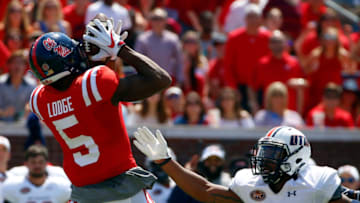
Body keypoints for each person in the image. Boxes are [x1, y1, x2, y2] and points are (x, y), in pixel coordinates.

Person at [28, 16, 171, 202]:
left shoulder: (38, 100)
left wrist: (102, 59)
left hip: (83, 193)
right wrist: (119, 48)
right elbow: (161, 79)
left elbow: (79, 98)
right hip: (122, 187)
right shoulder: (94, 83)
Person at [133, 126, 358, 203]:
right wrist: (166, 162)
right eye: (265, 151)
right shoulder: (250, 184)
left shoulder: (317, 183)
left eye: (273, 153)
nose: (264, 159)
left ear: (296, 157)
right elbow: (205, 191)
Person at [223, 4, 270, 112]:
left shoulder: (268, 37)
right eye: (250, 17)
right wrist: (233, 89)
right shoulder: (234, 38)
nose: (253, 20)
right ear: (245, 19)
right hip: (240, 87)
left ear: (261, 19)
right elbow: (228, 65)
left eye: (255, 17)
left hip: (261, 87)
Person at [3, 145, 71, 203]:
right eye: (33, 162)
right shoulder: (13, 185)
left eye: (41, 162)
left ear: (47, 164)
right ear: (26, 164)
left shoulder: (60, 186)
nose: (37, 165)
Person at [135, 8, 184, 85]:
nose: (158, 21)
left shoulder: (173, 39)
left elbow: (179, 61)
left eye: (160, 18)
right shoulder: (143, 39)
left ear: (166, 21)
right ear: (150, 21)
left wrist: (180, 80)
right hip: (150, 80)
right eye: (155, 18)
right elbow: (137, 61)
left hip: (169, 79)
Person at [0, 50, 36, 122]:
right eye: (14, 62)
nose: (17, 66)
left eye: (20, 63)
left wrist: (30, 108)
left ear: (25, 66)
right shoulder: (0, 83)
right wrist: (3, 113)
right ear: (9, 65)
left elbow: (34, 108)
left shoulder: (32, 84)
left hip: (24, 128)